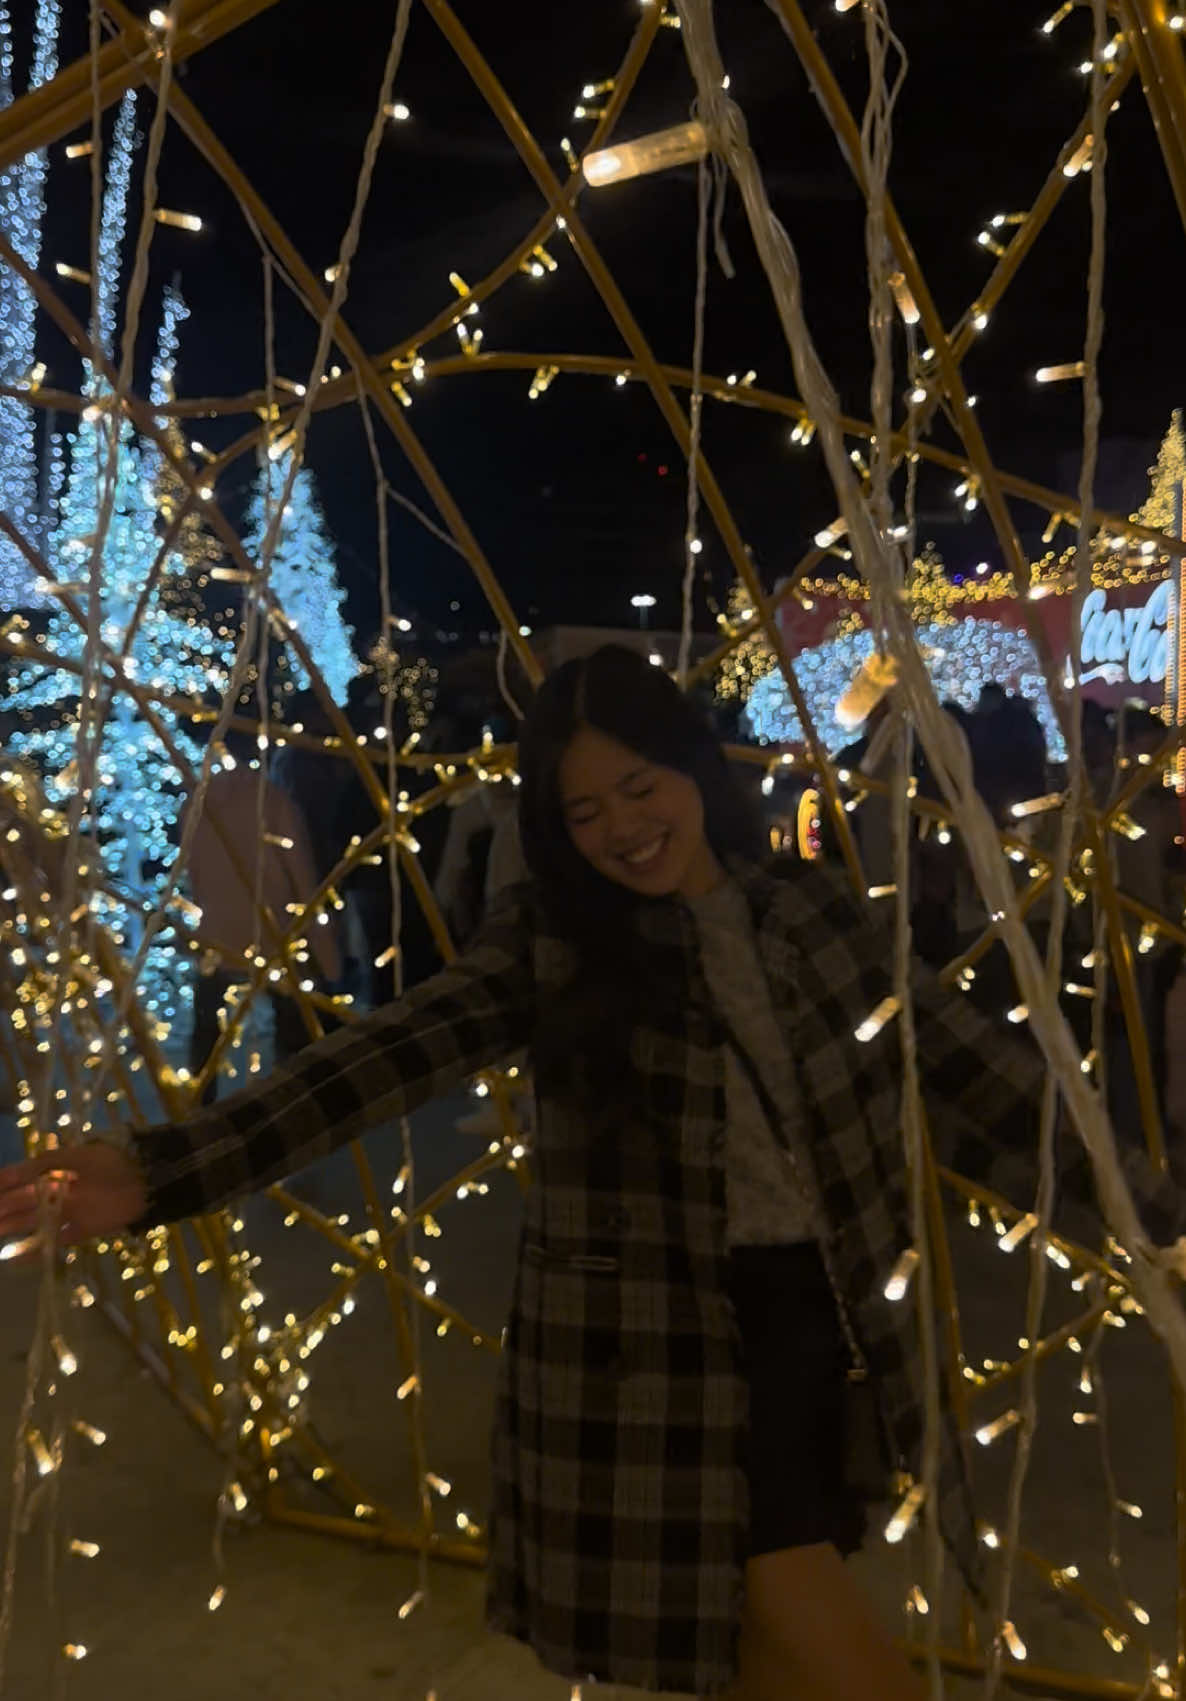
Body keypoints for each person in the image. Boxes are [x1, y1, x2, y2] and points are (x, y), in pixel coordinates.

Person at [1, 646, 1183, 1701]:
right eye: (581, 812)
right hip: (655, 1369)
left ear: (690, 767)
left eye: (637, 785)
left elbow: (988, 1085)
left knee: (766, 1664)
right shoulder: (556, 946)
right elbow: (374, 1065)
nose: (620, 827)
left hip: (818, 1337)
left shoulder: (813, 914)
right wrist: (162, 1174)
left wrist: (1157, 1213)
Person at [183, 729, 342, 1100]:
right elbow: (298, 867)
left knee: (210, 1018)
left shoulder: (198, 802)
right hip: (270, 924)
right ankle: (290, 1093)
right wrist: (319, 932)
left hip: (217, 925)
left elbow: (193, 868)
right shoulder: (271, 799)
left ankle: (199, 1097)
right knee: (288, 1012)